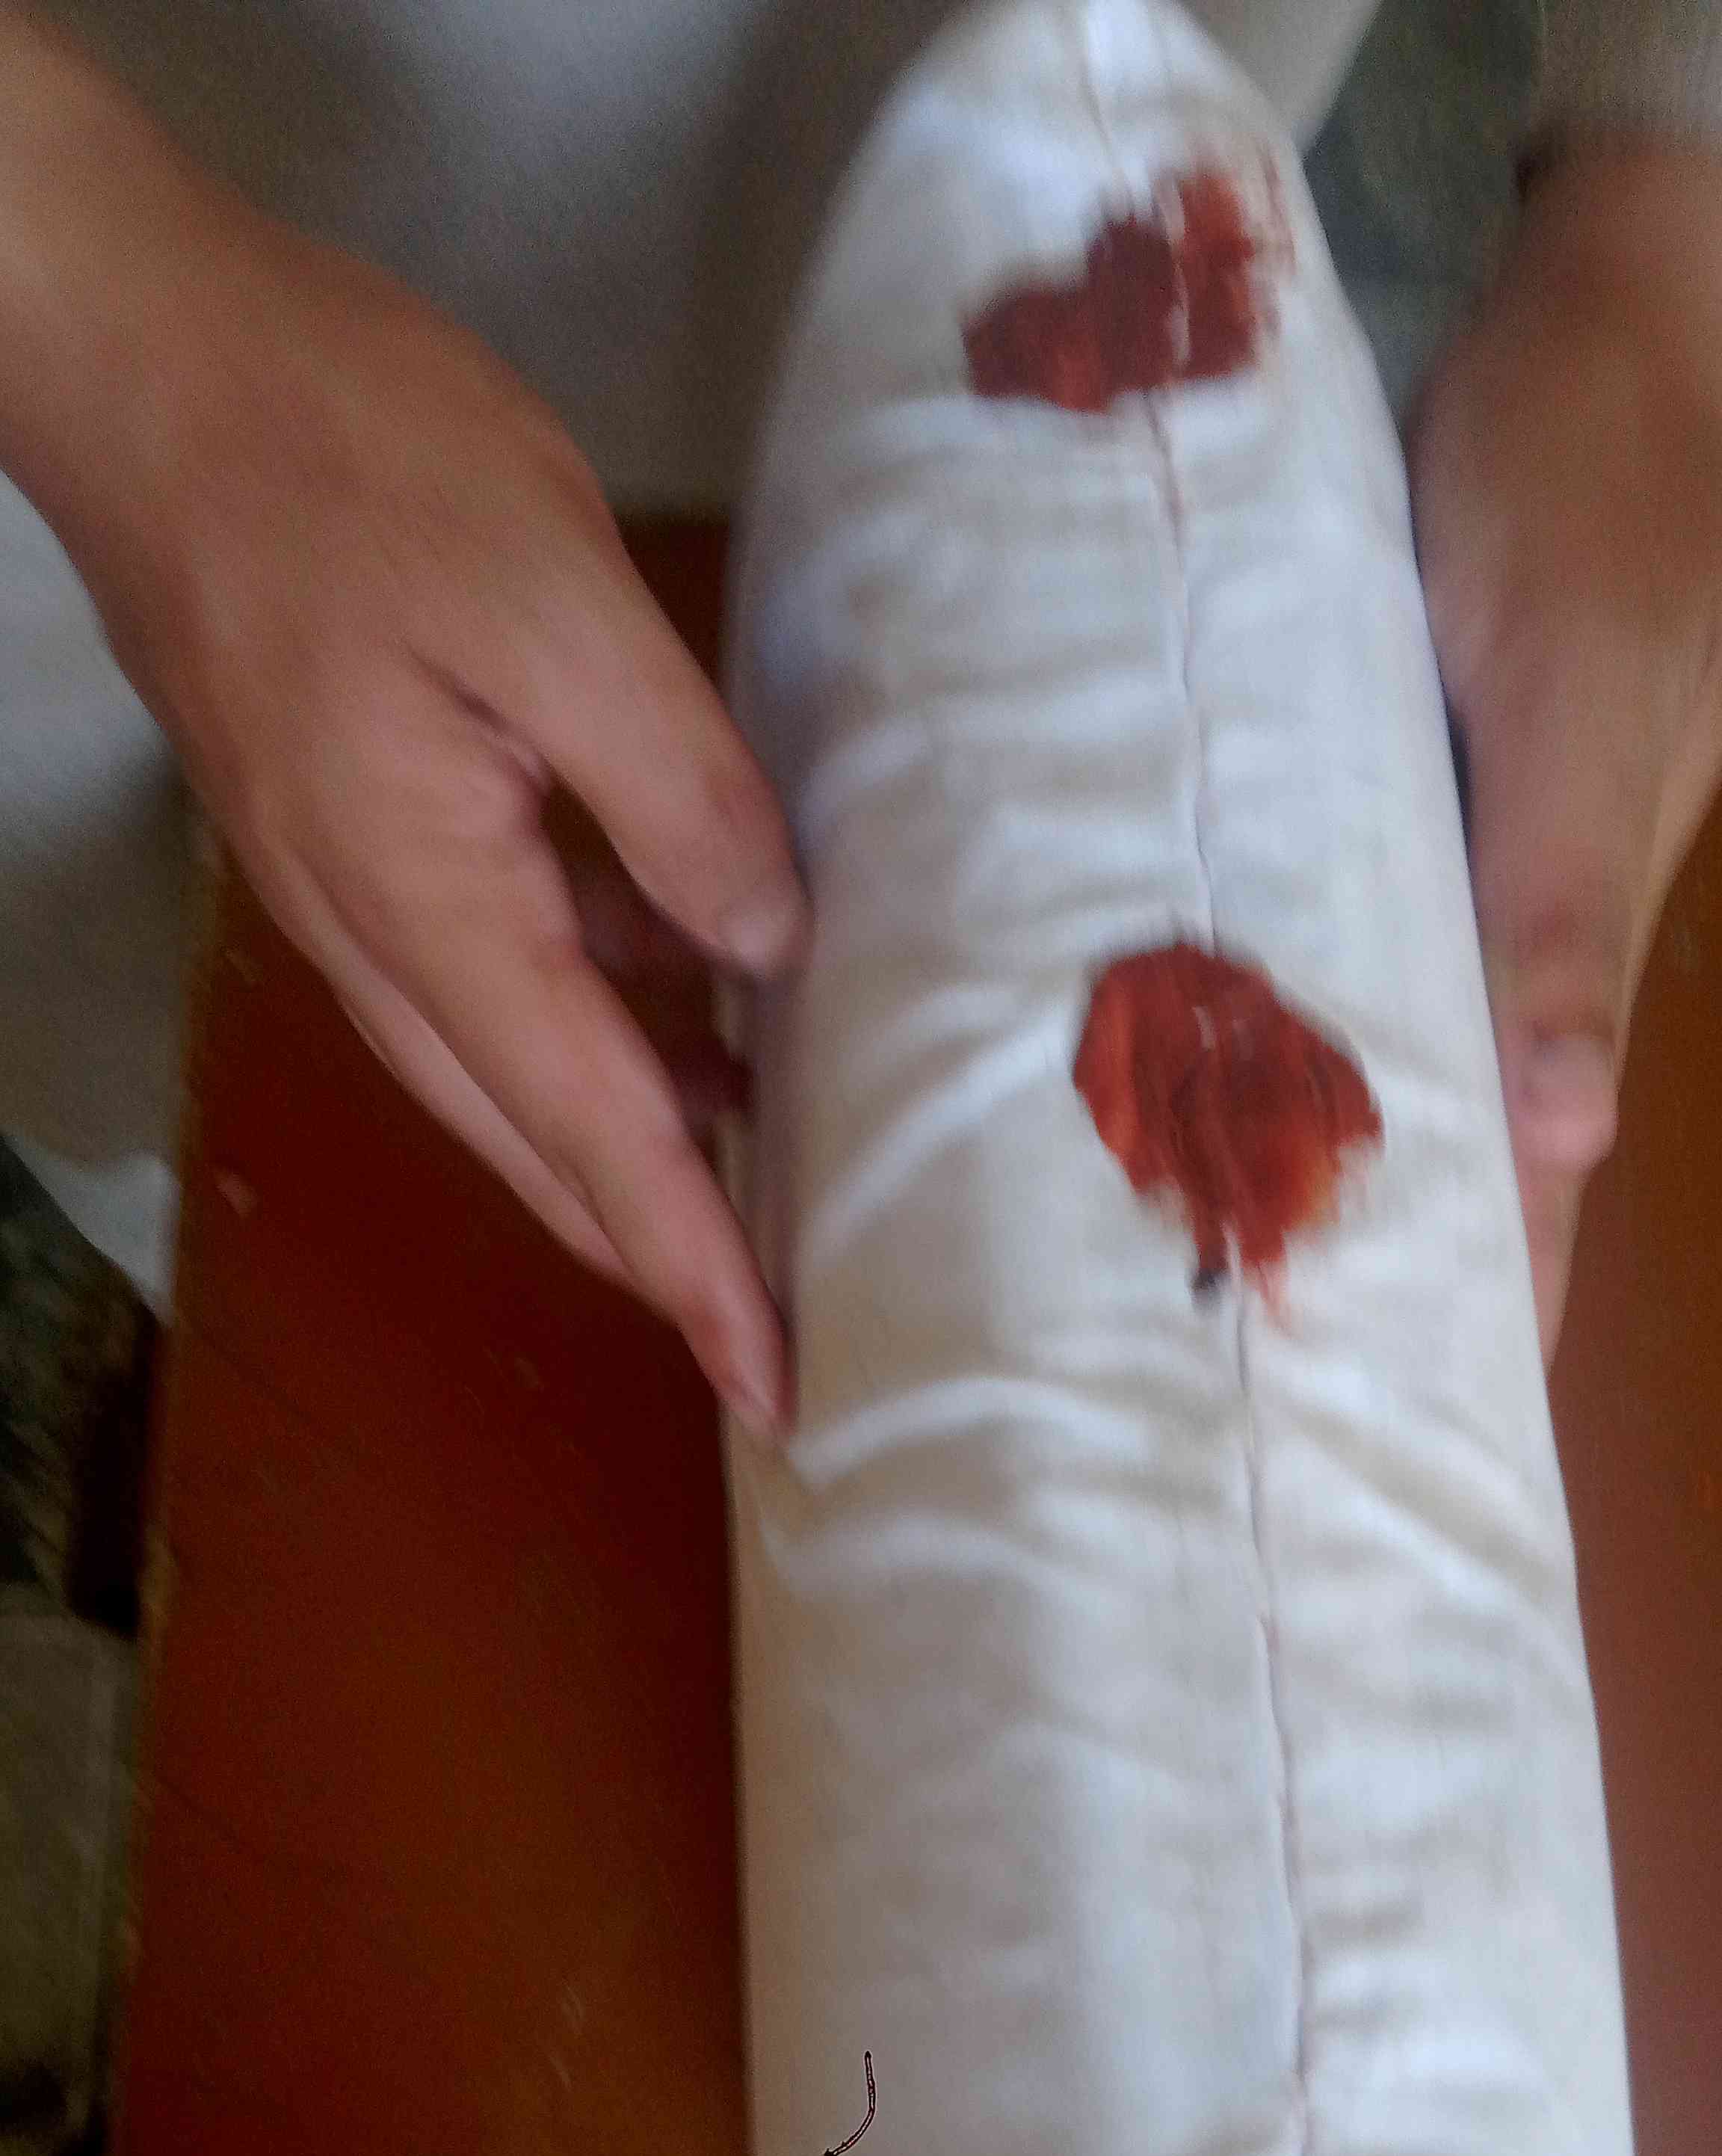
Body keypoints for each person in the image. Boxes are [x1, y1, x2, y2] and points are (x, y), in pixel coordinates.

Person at [1, 0, 1719, 1420]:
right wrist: (81, 281)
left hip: (1116, 401)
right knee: (327, 1289)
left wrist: (1669, 216)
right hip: (183, 426)